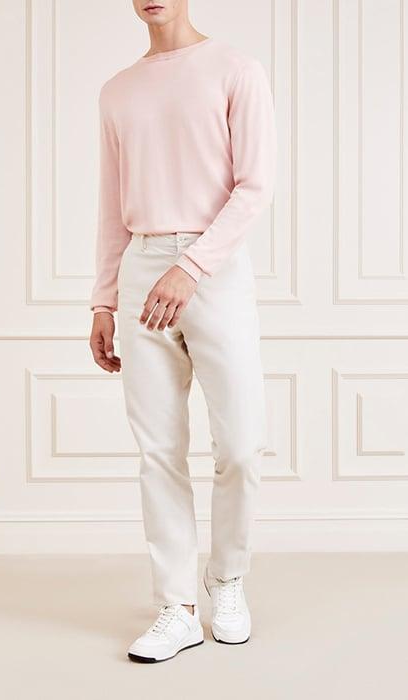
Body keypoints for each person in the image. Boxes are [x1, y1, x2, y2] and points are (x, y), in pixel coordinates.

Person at [89, 0, 277, 664]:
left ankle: (227, 581)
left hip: (213, 269)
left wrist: (191, 266)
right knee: (158, 451)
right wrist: (103, 300)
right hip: (141, 267)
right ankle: (177, 606)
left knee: (242, 445)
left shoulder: (235, 69)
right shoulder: (118, 90)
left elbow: (254, 186)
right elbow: (111, 205)